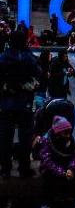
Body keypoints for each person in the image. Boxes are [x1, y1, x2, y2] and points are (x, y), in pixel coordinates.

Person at [0, 31, 41, 178]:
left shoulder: (4, 57)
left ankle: (5, 169)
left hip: (6, 104)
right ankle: (24, 168)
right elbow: (38, 74)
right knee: (25, 138)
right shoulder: (29, 58)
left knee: (5, 138)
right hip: (25, 104)